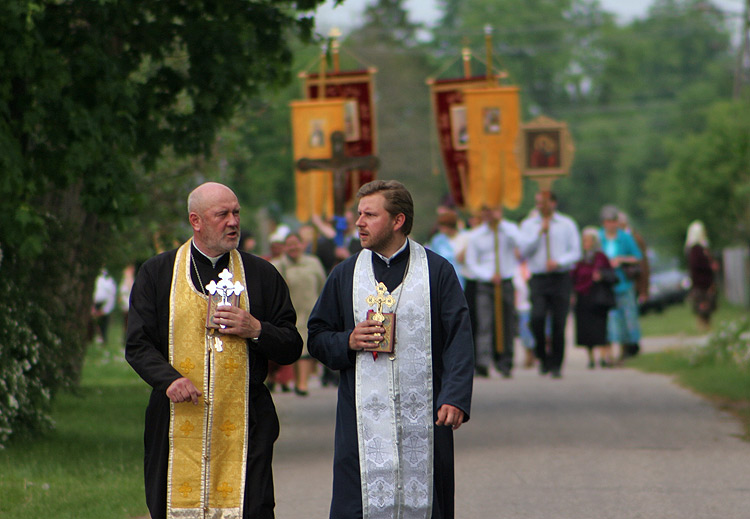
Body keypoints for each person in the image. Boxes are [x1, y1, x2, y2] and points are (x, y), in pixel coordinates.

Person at [125, 182, 302, 519]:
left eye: (236, 213)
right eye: (222, 214)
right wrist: (169, 380)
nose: (233, 221)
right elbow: (138, 343)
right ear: (196, 220)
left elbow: (292, 345)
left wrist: (256, 330)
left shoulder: (262, 275)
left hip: (247, 419)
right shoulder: (158, 273)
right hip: (176, 418)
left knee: (252, 508)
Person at [307, 180, 474, 519]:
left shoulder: (438, 271)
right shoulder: (345, 274)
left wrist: (455, 395)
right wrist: (348, 340)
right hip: (361, 421)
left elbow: (459, 336)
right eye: (359, 214)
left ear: (398, 221)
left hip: (427, 415)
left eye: (370, 214)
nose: (359, 222)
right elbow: (317, 336)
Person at [519, 191, 581, 378]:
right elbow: (524, 250)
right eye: (538, 203)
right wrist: (540, 233)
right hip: (538, 278)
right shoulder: (528, 225)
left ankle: (556, 363)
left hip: (560, 277)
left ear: (553, 203)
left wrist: (560, 261)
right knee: (537, 317)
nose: (541, 206)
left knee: (558, 322)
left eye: (544, 203)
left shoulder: (567, 224)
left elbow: (575, 252)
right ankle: (541, 354)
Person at [464, 205, 521, 378]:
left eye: (492, 210)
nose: (489, 214)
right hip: (486, 283)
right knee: (485, 322)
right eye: (486, 211)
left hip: (505, 281)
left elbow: (521, 244)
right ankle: (483, 361)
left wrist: (501, 224)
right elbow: (471, 262)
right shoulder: (476, 236)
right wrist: (488, 275)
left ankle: (505, 361)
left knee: (506, 322)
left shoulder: (509, 229)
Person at [272, 232, 326, 396]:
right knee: (293, 345)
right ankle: (293, 380)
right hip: (289, 312)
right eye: (289, 244)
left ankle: (302, 383)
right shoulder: (278, 265)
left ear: (303, 245)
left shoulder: (313, 263)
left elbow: (322, 285)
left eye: (296, 243)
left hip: (309, 311)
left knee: (306, 347)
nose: (293, 247)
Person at [599, 205, 643, 363]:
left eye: (613, 221)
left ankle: (628, 347)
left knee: (628, 316)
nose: (610, 224)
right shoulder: (599, 237)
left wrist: (621, 260)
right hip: (606, 285)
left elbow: (638, 256)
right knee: (611, 318)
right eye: (607, 221)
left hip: (623, 282)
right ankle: (611, 349)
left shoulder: (625, 237)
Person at [572, 227, 617, 368]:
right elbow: (573, 277)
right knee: (586, 329)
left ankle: (604, 356)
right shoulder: (579, 259)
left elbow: (613, 276)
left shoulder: (601, 258)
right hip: (583, 297)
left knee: (600, 328)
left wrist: (601, 275)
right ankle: (591, 358)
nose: (585, 243)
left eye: (588, 240)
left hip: (598, 297)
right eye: (584, 240)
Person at [685, 220, 718, 331]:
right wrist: (709, 266)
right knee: (703, 304)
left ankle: (706, 325)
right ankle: (703, 326)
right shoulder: (696, 249)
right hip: (701, 281)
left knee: (707, 303)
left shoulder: (701, 248)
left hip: (705, 281)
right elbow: (696, 265)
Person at [91, 268, 117, 343]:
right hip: (96, 303)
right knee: (93, 323)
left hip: (103, 303)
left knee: (103, 323)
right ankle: (94, 339)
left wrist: (105, 310)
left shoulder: (109, 282)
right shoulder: (97, 280)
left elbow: (111, 297)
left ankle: (102, 339)